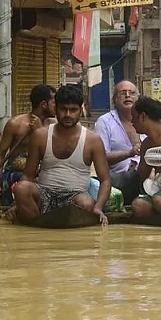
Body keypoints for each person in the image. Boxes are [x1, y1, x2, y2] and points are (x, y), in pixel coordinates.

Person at [9, 84, 112, 225]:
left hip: (75, 196)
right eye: (63, 109)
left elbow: (105, 180)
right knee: (21, 188)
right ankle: (35, 228)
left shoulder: (92, 140)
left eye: (73, 110)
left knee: (86, 203)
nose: (68, 115)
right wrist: (16, 204)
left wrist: (98, 208)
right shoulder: (40, 135)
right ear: (56, 108)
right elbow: (28, 175)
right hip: (44, 193)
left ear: (81, 109)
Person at [0, 84, 56, 209]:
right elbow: (0, 153)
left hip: (45, 172)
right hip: (17, 173)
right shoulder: (15, 124)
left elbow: (55, 153)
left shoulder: (54, 125)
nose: (57, 106)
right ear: (44, 104)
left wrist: (39, 131)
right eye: (54, 102)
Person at [94, 81, 146, 204]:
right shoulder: (104, 122)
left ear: (138, 98)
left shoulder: (146, 119)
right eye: (123, 93)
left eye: (132, 93)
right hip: (117, 181)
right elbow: (101, 158)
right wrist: (129, 153)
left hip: (147, 179)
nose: (128, 95)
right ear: (114, 99)